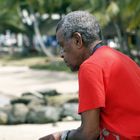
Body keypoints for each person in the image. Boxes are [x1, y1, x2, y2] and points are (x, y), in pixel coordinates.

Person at [39, 11, 140, 140]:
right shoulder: (124, 59)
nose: (61, 54)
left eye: (62, 45)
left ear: (77, 40)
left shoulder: (90, 67)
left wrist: (60, 137)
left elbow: (89, 133)